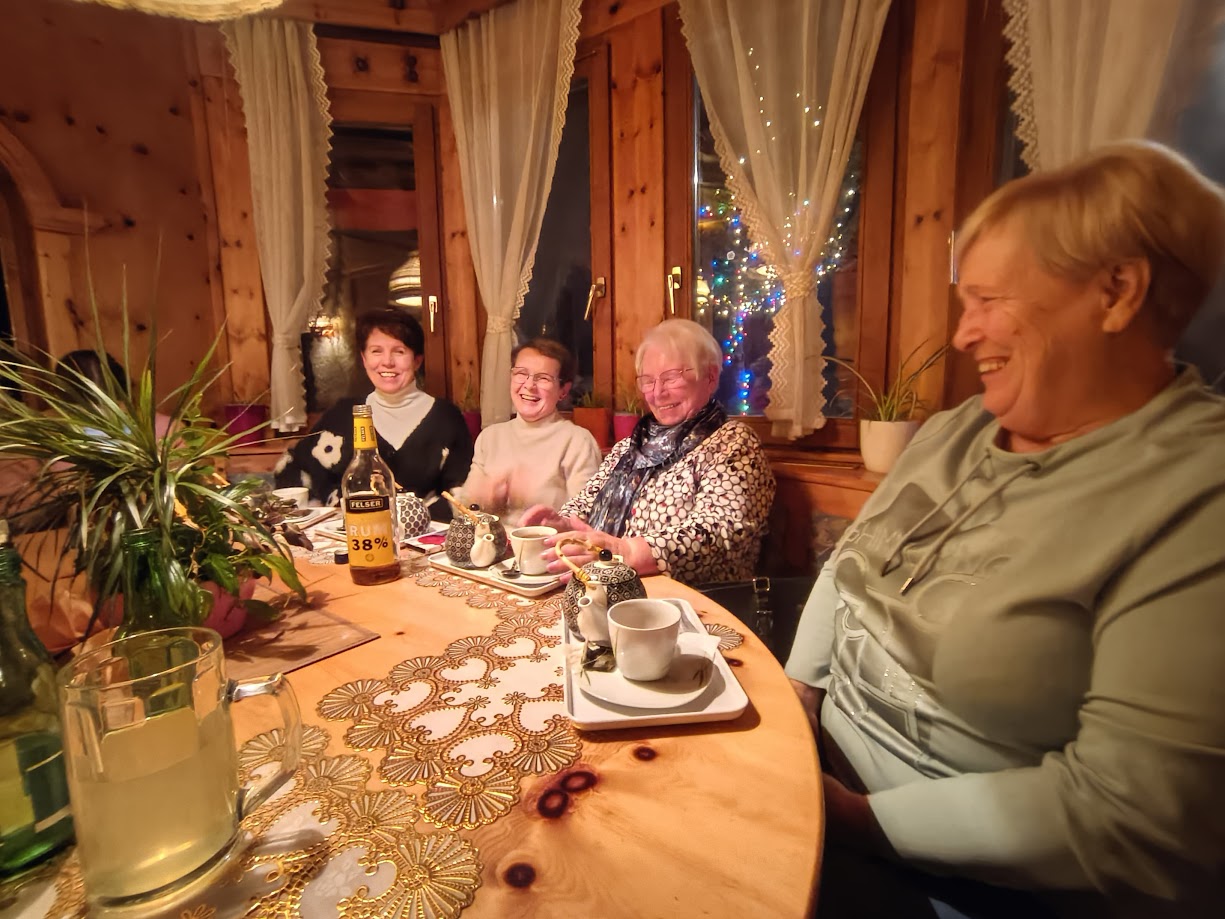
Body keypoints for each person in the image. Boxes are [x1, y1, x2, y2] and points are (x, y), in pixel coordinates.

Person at [785, 141, 1225, 918]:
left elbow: (1129, 816)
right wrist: (794, 700)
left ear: (1116, 292)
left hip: (958, 875)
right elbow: (850, 564)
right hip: (817, 765)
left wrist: (850, 819)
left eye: (987, 299)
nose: (963, 335)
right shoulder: (954, 429)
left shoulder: (1198, 494)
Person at [522, 318, 775, 586]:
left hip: (688, 600)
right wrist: (563, 525)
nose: (657, 393)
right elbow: (585, 505)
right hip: (605, 589)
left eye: (671, 378)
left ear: (710, 376)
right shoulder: (630, 447)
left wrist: (627, 551)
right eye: (648, 381)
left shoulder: (732, 443)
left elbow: (723, 533)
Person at [275, 309, 472, 517]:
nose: (387, 362)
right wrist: (323, 513)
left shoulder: (446, 418)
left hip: (424, 534)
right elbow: (293, 468)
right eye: (376, 351)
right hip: (347, 533)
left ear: (417, 360)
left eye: (399, 351)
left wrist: (411, 519)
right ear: (364, 358)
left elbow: (461, 494)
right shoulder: (342, 415)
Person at [458, 338, 601, 524]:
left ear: (563, 390)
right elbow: (464, 509)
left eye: (543, 378)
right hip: (488, 540)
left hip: (547, 542)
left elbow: (586, 520)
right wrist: (485, 498)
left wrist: (541, 516)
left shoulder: (577, 441)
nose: (529, 386)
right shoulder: (490, 437)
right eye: (521, 374)